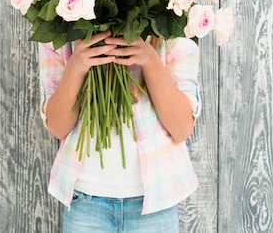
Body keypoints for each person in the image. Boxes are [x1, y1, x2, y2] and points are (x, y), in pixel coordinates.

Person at [39, 30, 200, 232]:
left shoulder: (174, 22)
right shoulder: (62, 24)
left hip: (155, 205)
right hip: (86, 204)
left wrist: (149, 59)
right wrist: (77, 66)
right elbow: (57, 126)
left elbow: (182, 127)